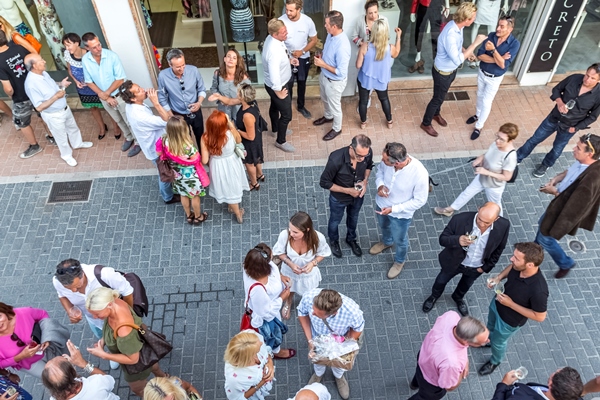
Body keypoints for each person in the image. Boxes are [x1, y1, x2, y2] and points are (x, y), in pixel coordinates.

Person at [422, 202, 510, 316]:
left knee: (466, 285)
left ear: (496, 218)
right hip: (454, 262)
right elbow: (442, 239)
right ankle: (434, 296)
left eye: (487, 223)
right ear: (478, 208)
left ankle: (458, 298)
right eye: (479, 219)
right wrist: (457, 240)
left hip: (476, 267)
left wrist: (485, 268)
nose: (481, 224)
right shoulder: (460, 219)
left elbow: (499, 248)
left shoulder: (504, 225)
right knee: (441, 280)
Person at [517, 63, 600, 178]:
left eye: (592, 78)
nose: (587, 79)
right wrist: (560, 102)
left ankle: (545, 165)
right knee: (534, 139)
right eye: (587, 75)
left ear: (599, 80)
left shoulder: (598, 95)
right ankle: (518, 158)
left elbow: (592, 117)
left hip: (569, 126)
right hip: (554, 118)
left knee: (557, 149)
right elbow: (556, 89)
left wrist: (576, 128)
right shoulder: (574, 78)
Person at [536, 133, 600, 278]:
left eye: (578, 148)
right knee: (542, 226)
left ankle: (565, 263)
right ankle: (535, 247)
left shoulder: (591, 180)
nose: (573, 149)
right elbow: (568, 172)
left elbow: (574, 207)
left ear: (590, 154)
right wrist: (556, 179)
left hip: (562, 214)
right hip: (555, 207)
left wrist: (553, 192)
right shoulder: (582, 161)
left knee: (546, 238)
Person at [420, 2, 487, 137]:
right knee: (437, 99)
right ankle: (426, 123)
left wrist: (466, 51)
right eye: (473, 17)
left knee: (441, 96)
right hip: (442, 73)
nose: (474, 19)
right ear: (466, 19)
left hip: (450, 71)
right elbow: (457, 60)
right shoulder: (451, 33)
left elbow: (458, 45)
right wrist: (474, 44)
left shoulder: (457, 26)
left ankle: (436, 114)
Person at [53, 258, 134, 370]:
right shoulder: (58, 281)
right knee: (105, 338)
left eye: (78, 286)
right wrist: (70, 310)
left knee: (129, 339)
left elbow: (128, 292)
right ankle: (114, 353)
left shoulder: (105, 274)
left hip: (117, 318)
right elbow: (61, 295)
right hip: (94, 320)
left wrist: (129, 317)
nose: (74, 291)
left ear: (82, 274)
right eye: (69, 288)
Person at [480, 242, 548, 376]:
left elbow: (540, 317)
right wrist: (498, 278)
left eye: (516, 258)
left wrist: (510, 304)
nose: (512, 259)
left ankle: (495, 361)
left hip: (508, 322)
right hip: (497, 305)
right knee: (490, 327)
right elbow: (511, 267)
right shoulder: (518, 267)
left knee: (498, 343)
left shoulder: (539, 290)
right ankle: (488, 340)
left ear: (530, 264)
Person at [85, 287, 168, 397]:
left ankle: (160, 396)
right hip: (143, 348)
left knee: (138, 389)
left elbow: (133, 359)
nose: (95, 318)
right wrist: (103, 340)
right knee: (152, 363)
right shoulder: (117, 302)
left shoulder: (124, 331)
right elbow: (110, 328)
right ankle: (165, 378)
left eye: (97, 314)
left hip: (137, 366)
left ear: (109, 304)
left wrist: (104, 355)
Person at [369, 142, 429, 279]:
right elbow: (380, 172)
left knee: (400, 239)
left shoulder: (419, 174)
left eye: (385, 160)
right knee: (384, 226)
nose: (382, 161)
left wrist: (394, 209)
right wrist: (380, 185)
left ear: (396, 163)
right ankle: (387, 242)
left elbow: (420, 200)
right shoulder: (387, 162)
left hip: (401, 214)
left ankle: (399, 261)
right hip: (382, 204)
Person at [23, 53, 93, 167]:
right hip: (53, 115)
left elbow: (52, 85)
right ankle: (67, 156)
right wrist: (56, 97)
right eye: (41, 60)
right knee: (61, 137)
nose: (44, 61)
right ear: (34, 66)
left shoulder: (43, 73)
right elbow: (39, 107)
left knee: (72, 127)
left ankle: (78, 143)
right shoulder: (31, 84)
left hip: (64, 108)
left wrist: (61, 84)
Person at [434, 123, 518, 217]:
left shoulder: (510, 157)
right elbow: (489, 154)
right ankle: (450, 209)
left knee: (495, 205)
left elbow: (507, 177)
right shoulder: (496, 144)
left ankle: (499, 222)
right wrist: (481, 157)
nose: (497, 141)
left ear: (511, 140)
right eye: (497, 136)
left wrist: (486, 172)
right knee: (467, 192)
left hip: (494, 185)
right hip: (482, 176)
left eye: (502, 139)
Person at [297, 289, 364, 400]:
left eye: (317, 314)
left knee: (339, 363)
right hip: (318, 337)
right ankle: (318, 374)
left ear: (334, 313)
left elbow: (358, 329)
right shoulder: (308, 297)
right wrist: (310, 341)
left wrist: (343, 349)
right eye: (313, 310)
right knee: (317, 360)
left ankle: (339, 376)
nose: (312, 314)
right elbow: (302, 313)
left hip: (340, 340)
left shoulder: (352, 312)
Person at [81, 32, 140, 157]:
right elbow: (89, 81)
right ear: (87, 48)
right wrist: (105, 97)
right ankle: (129, 138)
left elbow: (120, 79)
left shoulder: (112, 56)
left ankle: (138, 142)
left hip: (120, 95)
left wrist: (107, 94)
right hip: (104, 97)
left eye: (99, 45)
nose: (98, 49)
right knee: (118, 120)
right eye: (94, 47)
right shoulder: (85, 60)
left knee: (129, 120)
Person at [120, 80, 179, 204]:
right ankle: (168, 197)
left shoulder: (132, 105)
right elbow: (166, 120)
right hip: (156, 149)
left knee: (165, 170)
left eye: (140, 87)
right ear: (133, 99)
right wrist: (156, 103)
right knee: (164, 174)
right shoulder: (140, 116)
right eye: (138, 91)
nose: (143, 90)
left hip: (156, 143)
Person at [408, 312, 489, 400]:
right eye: (483, 343)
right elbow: (449, 386)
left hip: (423, 357)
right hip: (430, 382)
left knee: (418, 376)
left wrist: (465, 360)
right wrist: (461, 373)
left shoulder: (451, 316)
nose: (488, 341)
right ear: (466, 341)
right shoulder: (452, 363)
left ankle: (414, 384)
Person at [467, 16, 521, 140]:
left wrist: (492, 50)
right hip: (482, 73)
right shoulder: (491, 35)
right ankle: (478, 115)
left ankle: (479, 126)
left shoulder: (514, 44)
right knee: (479, 95)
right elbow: (480, 55)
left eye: (502, 26)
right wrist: (499, 57)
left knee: (486, 101)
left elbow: (503, 65)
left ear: (510, 29)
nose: (498, 28)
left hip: (494, 78)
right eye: (498, 25)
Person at [320, 134, 373, 258]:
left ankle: (351, 239)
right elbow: (324, 182)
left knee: (353, 218)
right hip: (339, 199)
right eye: (359, 155)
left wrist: (364, 181)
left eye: (364, 156)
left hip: (358, 196)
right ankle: (334, 241)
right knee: (334, 221)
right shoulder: (336, 159)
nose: (362, 158)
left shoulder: (367, 153)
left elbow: (369, 166)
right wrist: (348, 191)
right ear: (351, 147)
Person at [273, 212, 331, 320]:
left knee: (310, 293)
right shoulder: (284, 235)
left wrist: (312, 263)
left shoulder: (318, 238)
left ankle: (309, 307)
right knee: (289, 289)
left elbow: (323, 253)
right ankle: (288, 302)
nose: (291, 234)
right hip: (289, 271)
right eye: (290, 229)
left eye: (295, 232)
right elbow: (279, 252)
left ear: (307, 230)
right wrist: (290, 264)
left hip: (308, 274)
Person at [243, 243, 296, 359]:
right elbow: (266, 312)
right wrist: (282, 297)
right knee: (272, 335)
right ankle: (276, 351)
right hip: (268, 318)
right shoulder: (258, 290)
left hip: (269, 307)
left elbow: (272, 268)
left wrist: (280, 276)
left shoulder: (250, 266)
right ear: (264, 267)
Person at [157, 117, 210, 225]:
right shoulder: (188, 147)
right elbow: (197, 159)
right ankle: (198, 216)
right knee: (194, 196)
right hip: (190, 175)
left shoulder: (163, 140)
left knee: (183, 194)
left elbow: (159, 154)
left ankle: (189, 215)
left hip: (176, 174)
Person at [201, 110, 249, 224]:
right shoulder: (230, 132)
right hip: (232, 161)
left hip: (217, 164)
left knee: (225, 185)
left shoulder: (206, 137)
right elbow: (239, 140)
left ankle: (231, 206)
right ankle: (238, 213)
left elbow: (205, 160)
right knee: (232, 185)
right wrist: (230, 124)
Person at [0, 30, 41, 159]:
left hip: (21, 96)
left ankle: (34, 146)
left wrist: (10, 95)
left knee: (21, 122)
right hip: (35, 89)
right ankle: (52, 137)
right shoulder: (18, 47)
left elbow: (8, 88)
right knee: (42, 113)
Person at [62, 32, 110, 140]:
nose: (67, 48)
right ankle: (102, 127)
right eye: (65, 45)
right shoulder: (67, 54)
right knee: (93, 108)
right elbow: (69, 69)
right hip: (83, 88)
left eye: (68, 44)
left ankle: (116, 128)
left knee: (107, 106)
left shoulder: (90, 54)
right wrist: (75, 81)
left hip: (96, 87)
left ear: (77, 43)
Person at [313, 10, 351, 141]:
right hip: (325, 76)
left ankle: (337, 128)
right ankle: (328, 117)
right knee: (324, 99)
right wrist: (322, 55)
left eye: (327, 24)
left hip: (334, 82)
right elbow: (327, 50)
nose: (325, 25)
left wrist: (323, 64)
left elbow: (341, 72)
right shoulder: (331, 35)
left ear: (334, 26)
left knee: (336, 108)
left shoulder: (343, 47)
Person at [355, 20, 401, 130]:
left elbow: (358, 65)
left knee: (363, 101)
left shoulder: (365, 47)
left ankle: (363, 123)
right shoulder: (390, 48)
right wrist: (398, 36)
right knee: (384, 99)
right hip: (382, 78)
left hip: (366, 79)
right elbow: (397, 52)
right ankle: (389, 121)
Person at [158, 48, 206, 149]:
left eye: (183, 65)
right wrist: (171, 116)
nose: (182, 68)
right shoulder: (163, 76)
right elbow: (162, 98)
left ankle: (203, 156)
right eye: (178, 67)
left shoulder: (194, 70)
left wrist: (199, 103)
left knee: (200, 135)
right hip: (178, 113)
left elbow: (202, 89)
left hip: (196, 111)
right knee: (184, 138)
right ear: (169, 64)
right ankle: (192, 158)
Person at [42, 340, 120, 399]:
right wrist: (83, 363)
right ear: (74, 370)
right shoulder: (97, 384)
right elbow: (109, 380)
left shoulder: (53, 398)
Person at [262, 18, 296, 153]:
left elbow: (281, 57)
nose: (286, 33)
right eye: (283, 32)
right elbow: (274, 74)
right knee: (287, 115)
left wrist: (289, 60)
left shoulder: (273, 39)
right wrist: (279, 92)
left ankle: (275, 128)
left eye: (285, 29)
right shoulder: (273, 52)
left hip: (280, 83)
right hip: (279, 86)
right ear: (274, 34)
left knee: (274, 106)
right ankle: (280, 141)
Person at [280, 0, 318, 119]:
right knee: (288, 83)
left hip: (303, 57)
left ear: (299, 9)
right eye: (286, 9)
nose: (288, 13)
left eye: (291, 10)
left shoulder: (307, 21)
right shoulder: (281, 21)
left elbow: (314, 40)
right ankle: (288, 108)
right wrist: (287, 55)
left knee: (302, 83)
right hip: (286, 58)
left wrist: (302, 51)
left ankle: (301, 106)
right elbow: (276, 41)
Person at [0, 302, 50, 379]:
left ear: (4, 311)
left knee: (70, 366)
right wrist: (20, 356)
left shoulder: (23, 313)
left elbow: (43, 315)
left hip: (48, 348)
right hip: (29, 364)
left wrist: (47, 337)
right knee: (56, 380)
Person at [223, 330, 275, 400]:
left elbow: (266, 349)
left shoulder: (250, 334)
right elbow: (238, 398)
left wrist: (270, 362)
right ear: (247, 358)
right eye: (257, 351)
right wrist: (261, 383)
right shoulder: (234, 380)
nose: (262, 343)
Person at [235, 83, 265, 191]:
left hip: (249, 142)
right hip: (256, 138)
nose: (237, 93)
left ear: (242, 97)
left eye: (238, 92)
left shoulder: (247, 115)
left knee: (249, 163)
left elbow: (250, 136)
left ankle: (254, 183)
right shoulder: (252, 104)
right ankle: (260, 175)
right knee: (256, 158)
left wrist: (237, 130)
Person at [208, 49, 251, 120]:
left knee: (238, 129)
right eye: (229, 56)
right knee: (224, 129)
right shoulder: (218, 74)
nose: (231, 59)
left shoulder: (243, 77)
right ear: (224, 59)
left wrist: (231, 102)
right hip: (223, 109)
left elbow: (248, 96)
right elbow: (214, 88)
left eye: (234, 58)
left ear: (237, 62)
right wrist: (220, 98)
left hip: (239, 109)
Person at [492, 366, 583, 400]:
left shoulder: (519, 397)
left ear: (551, 384)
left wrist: (503, 384)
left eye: (555, 373)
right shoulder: (570, 395)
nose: (553, 372)